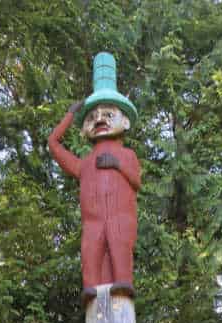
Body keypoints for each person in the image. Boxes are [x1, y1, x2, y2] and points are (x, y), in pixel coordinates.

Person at [48, 54, 140, 302]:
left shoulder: (127, 154)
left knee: (120, 247)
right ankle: (91, 287)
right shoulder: (85, 163)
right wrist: (69, 115)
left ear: (125, 122)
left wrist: (117, 164)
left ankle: (123, 283)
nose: (99, 119)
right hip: (92, 222)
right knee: (90, 254)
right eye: (92, 116)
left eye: (108, 115)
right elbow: (53, 144)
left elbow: (136, 182)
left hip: (120, 217)